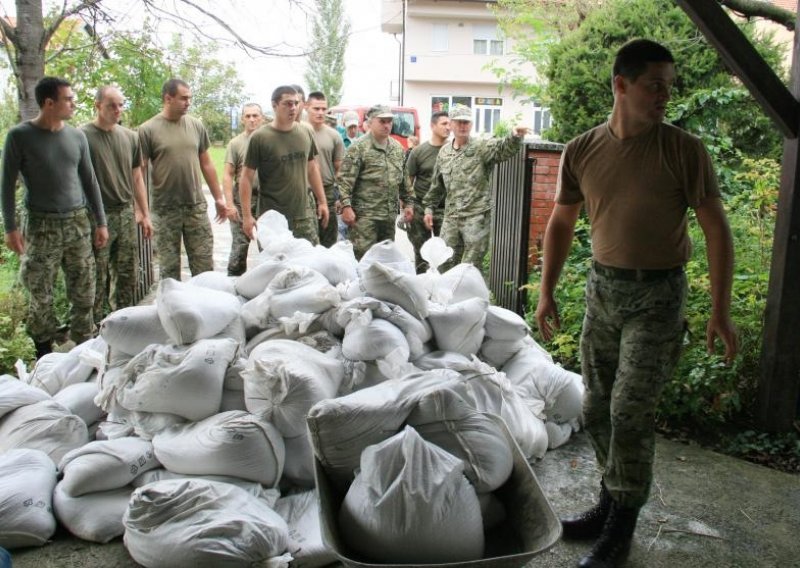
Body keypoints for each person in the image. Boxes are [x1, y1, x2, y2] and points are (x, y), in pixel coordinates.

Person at [534, 39, 738, 568]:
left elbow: (716, 228)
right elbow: (561, 220)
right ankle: (610, 500)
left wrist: (720, 309)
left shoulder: (683, 150)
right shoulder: (581, 149)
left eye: (670, 85)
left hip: (658, 295)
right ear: (620, 85)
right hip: (604, 290)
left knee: (630, 410)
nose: (665, 95)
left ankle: (622, 522)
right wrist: (548, 289)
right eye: (655, 85)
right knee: (597, 407)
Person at [1, 76, 109, 357]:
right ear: (49, 103)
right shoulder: (19, 137)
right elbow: (6, 184)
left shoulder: (76, 137)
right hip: (40, 226)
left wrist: (101, 222)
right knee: (41, 294)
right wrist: (10, 228)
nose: (74, 104)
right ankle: (44, 354)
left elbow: (90, 181)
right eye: (68, 99)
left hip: (76, 224)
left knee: (84, 290)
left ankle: (84, 348)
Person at [138, 78, 229, 281]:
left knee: (204, 267)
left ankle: (205, 309)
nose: (188, 102)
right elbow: (139, 173)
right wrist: (142, 210)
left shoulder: (196, 126)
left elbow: (207, 164)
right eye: (183, 98)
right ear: (168, 99)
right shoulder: (148, 129)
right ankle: (171, 310)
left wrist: (219, 198)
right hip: (164, 209)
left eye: (190, 98)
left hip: (195, 207)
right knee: (169, 271)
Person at [422, 104, 528, 271]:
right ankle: (445, 297)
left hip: (476, 217)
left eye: (467, 122)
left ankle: (468, 297)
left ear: (471, 125)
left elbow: (502, 149)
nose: (463, 126)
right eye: (459, 122)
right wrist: (428, 209)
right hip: (451, 218)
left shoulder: (481, 147)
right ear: (451, 124)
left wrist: (515, 136)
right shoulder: (444, 152)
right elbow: (437, 185)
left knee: (469, 267)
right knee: (444, 263)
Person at [81, 86, 153, 323]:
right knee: (96, 276)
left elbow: (137, 178)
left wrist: (144, 212)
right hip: (96, 215)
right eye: (112, 105)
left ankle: (123, 322)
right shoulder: (82, 136)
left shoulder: (130, 137)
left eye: (121, 104)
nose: (117, 110)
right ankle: (95, 327)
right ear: (98, 105)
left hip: (125, 213)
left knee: (127, 274)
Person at [240, 85, 329, 244]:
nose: (293, 108)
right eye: (287, 103)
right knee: (276, 265)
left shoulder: (305, 132)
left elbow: (312, 168)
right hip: (272, 218)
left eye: (295, 103)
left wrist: (322, 202)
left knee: (307, 263)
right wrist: (247, 216)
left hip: (302, 215)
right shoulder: (260, 138)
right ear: (274, 106)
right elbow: (246, 177)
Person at [337, 105, 414, 259]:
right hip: (365, 218)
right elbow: (344, 181)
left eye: (389, 122)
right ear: (370, 123)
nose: (387, 125)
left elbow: (404, 179)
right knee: (363, 259)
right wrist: (346, 207)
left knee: (385, 259)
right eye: (382, 121)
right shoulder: (358, 148)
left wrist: (409, 204)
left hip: (388, 217)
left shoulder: (397, 148)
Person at [404, 111, 450, 272]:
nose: (448, 127)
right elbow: (407, 181)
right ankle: (422, 290)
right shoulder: (419, 152)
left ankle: (442, 291)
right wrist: (407, 206)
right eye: (444, 124)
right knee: (421, 254)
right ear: (433, 126)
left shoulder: (453, 151)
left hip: (445, 209)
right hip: (420, 209)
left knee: (445, 255)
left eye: (449, 124)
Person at [222, 102, 264, 276]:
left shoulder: (269, 139)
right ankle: (233, 283)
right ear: (242, 119)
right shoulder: (236, 143)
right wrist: (229, 205)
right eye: (248, 116)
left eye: (255, 115)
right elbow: (227, 175)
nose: (252, 120)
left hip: (266, 199)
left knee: (269, 246)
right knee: (239, 248)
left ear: (261, 118)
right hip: (242, 200)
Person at [306, 91, 345, 247]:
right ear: (306, 107)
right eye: (316, 108)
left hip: (327, 191)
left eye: (324, 109)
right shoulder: (297, 132)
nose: (321, 112)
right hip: (303, 192)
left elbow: (340, 169)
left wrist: (340, 196)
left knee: (328, 241)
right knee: (305, 243)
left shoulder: (334, 136)